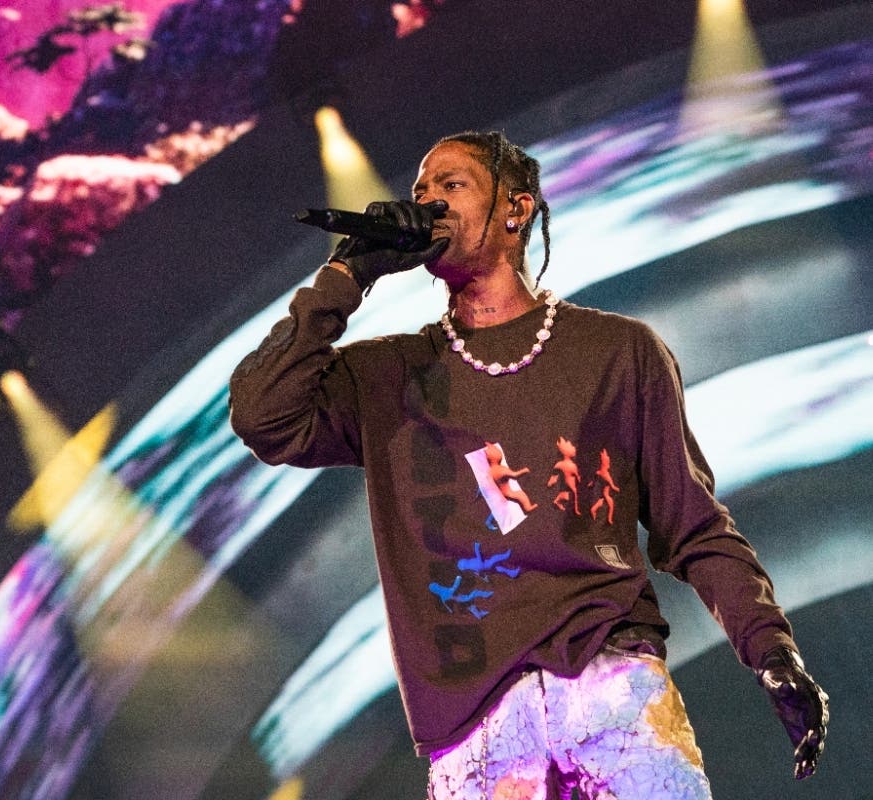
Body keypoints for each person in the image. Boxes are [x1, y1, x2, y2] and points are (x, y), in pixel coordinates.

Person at [228, 130, 828, 799]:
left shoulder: (617, 351)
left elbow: (692, 526)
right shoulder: (387, 375)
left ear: (515, 210)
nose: (427, 203)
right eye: (420, 190)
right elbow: (262, 415)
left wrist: (771, 650)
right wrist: (348, 273)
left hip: (611, 690)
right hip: (477, 729)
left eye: (450, 186)